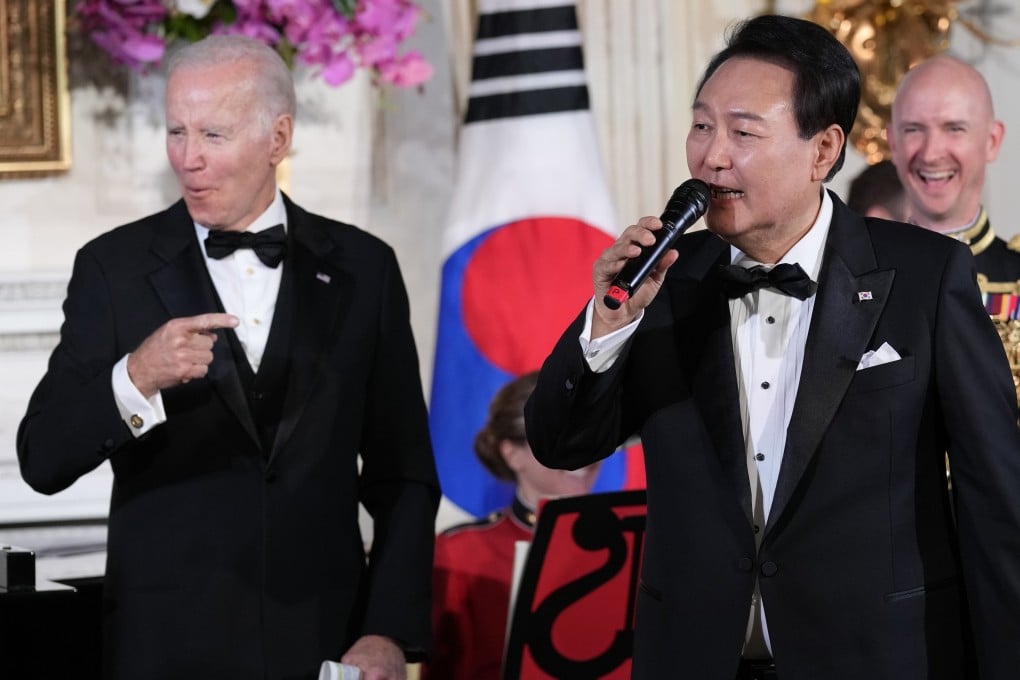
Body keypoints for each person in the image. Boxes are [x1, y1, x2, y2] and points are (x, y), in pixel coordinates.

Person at [524, 14, 1020, 680]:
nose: (712, 156)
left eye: (743, 132)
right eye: (702, 126)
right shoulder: (667, 285)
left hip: (876, 659)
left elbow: (995, 503)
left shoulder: (926, 277)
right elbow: (560, 445)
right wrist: (608, 324)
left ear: (823, 151)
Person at [17, 36, 439, 680]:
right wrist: (135, 380)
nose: (189, 158)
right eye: (176, 131)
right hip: (166, 648)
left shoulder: (365, 269)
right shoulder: (113, 269)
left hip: (324, 643)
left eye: (213, 133)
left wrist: (389, 631)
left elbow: (403, 473)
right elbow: (42, 458)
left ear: (278, 137)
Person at [425, 371, 600, 680]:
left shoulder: (630, 545)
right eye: (562, 434)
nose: (584, 452)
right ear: (512, 454)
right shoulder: (460, 551)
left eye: (590, 434)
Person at [888, 54, 1020, 281]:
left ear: (992, 141)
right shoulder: (856, 280)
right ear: (893, 143)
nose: (931, 154)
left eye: (954, 129)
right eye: (913, 129)